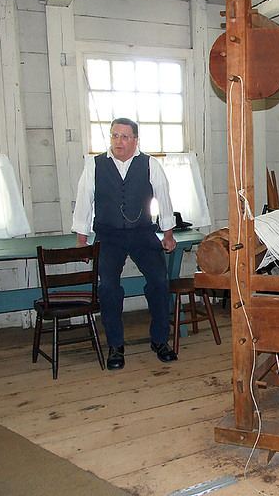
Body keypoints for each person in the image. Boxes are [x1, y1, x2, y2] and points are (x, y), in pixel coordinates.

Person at [72, 118, 178, 370]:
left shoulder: (150, 164)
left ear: (135, 140)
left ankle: (160, 340)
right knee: (108, 287)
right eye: (114, 136)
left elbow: (164, 198)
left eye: (124, 137)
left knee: (159, 283)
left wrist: (168, 234)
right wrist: (81, 240)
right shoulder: (95, 166)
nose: (118, 141)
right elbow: (84, 200)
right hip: (109, 235)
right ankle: (116, 346)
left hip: (142, 233)